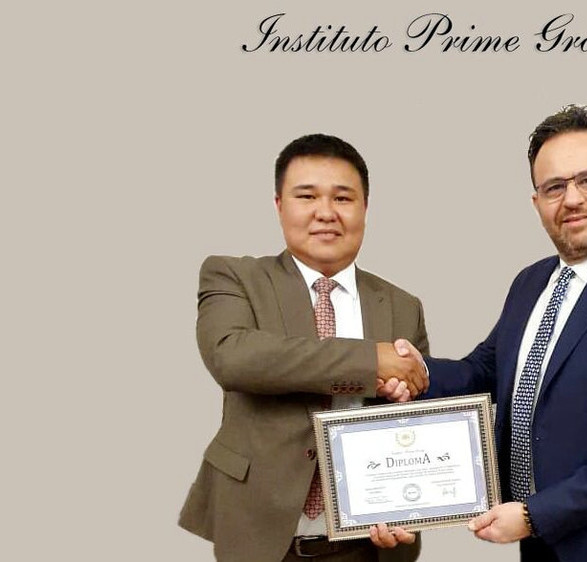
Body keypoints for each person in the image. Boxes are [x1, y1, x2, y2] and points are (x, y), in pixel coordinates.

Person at [392, 106, 587, 561]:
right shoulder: (530, 282)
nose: (572, 199)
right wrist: (416, 371)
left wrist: (535, 515)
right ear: (536, 201)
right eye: (554, 187)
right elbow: (485, 370)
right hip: (540, 546)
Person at [178, 133, 428, 562]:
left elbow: (416, 425)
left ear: (365, 207)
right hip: (259, 537)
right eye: (307, 196)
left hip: (367, 546)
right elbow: (233, 357)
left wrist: (415, 502)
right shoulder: (234, 277)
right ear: (279, 205)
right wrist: (371, 362)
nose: (326, 212)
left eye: (343, 198)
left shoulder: (402, 306)